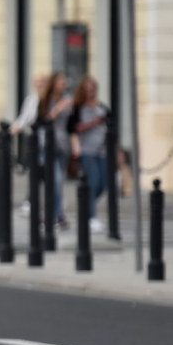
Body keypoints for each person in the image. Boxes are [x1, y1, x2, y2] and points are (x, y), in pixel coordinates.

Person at [10, 71, 70, 227]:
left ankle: (53, 213)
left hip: (58, 145)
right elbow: (27, 118)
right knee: (43, 178)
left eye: (43, 81)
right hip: (41, 145)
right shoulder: (33, 100)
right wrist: (14, 128)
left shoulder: (56, 99)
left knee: (54, 180)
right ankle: (44, 210)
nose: (40, 84)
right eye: (37, 81)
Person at [69, 76, 108, 233]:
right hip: (86, 150)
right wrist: (91, 123)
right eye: (87, 89)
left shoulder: (102, 108)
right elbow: (72, 128)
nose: (91, 92)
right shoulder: (78, 108)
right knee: (93, 181)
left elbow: (111, 128)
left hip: (103, 150)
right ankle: (90, 217)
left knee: (104, 183)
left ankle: (85, 205)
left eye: (93, 89)